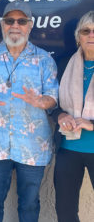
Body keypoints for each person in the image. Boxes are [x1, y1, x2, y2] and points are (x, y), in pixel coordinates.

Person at [0, 1, 59, 222]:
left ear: (30, 25)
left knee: (29, 205)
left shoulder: (44, 60)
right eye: (10, 20)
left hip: (32, 147)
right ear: (2, 24)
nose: (15, 25)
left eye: (21, 21)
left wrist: (42, 101)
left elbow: (53, 97)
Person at [52, 11, 94, 222]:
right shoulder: (63, 64)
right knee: (66, 212)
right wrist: (59, 116)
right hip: (69, 150)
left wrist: (91, 124)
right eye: (86, 31)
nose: (91, 35)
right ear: (79, 36)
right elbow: (53, 103)